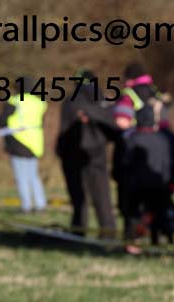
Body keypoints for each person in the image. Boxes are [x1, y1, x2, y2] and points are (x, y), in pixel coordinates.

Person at [56, 70, 120, 237]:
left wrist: (61, 153)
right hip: (98, 155)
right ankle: (108, 233)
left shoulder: (71, 101)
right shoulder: (103, 100)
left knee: (79, 199)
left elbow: (64, 131)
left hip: (73, 157)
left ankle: (78, 231)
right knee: (103, 197)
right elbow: (114, 129)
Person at [119, 104, 174, 245]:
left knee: (133, 215)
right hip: (159, 186)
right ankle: (158, 241)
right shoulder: (163, 139)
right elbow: (167, 164)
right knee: (157, 215)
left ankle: (132, 242)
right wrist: (169, 183)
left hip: (136, 187)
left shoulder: (132, 139)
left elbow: (126, 164)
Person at [0, 78, 48, 213]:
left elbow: (1, 120)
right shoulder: (39, 102)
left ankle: (26, 206)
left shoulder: (15, 101)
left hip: (18, 142)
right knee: (33, 176)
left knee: (21, 177)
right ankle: (40, 204)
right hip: (35, 144)